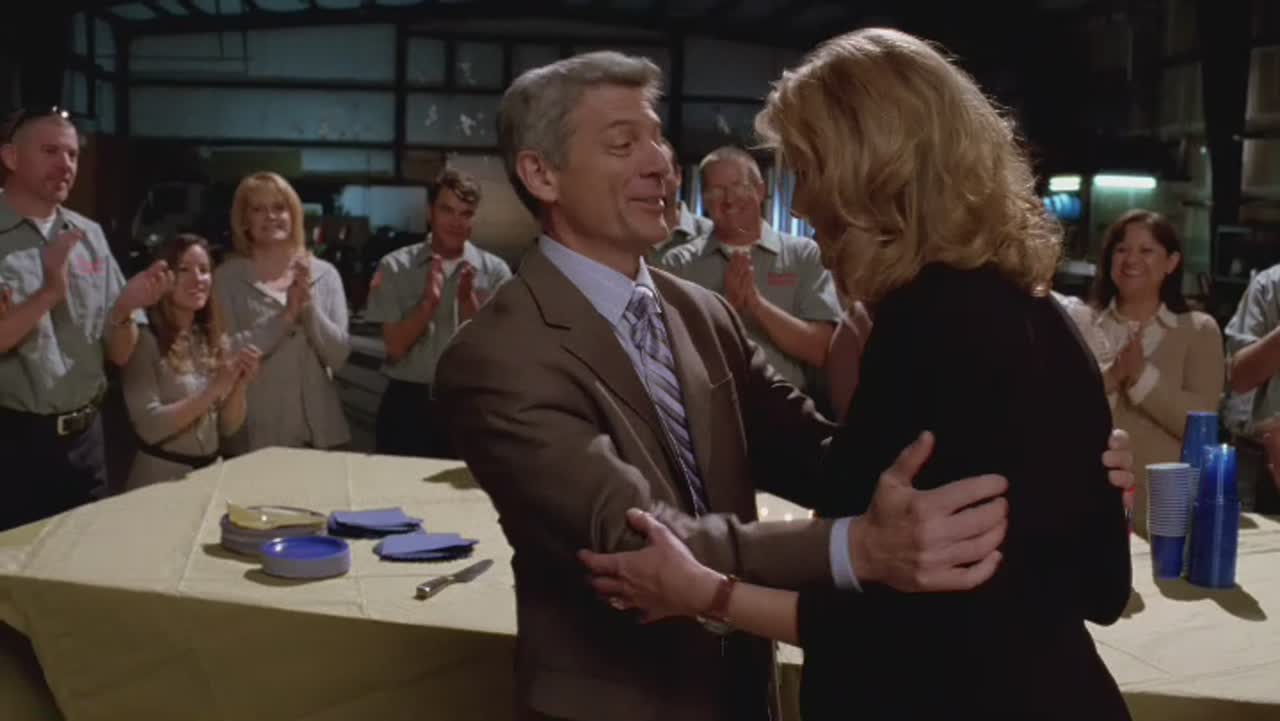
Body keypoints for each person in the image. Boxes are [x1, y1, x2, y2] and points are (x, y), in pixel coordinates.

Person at [435, 50, 1135, 721]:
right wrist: (857, 547)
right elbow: (632, 543)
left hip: (751, 694)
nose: (660, 163)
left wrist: (1048, 471)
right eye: (623, 144)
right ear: (541, 174)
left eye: (659, 138)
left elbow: (829, 461)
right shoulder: (496, 355)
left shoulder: (702, 312)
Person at [0, 107, 171, 531]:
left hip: (86, 441)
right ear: (10, 157)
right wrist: (49, 292)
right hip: (12, 442)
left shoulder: (88, 234)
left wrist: (124, 310)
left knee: (79, 558)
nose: (66, 165)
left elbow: (120, 354)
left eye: (73, 154)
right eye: (50, 151)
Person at [1082, 210, 1224, 531]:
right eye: (1121, 249)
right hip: (1086, 507)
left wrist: (1141, 377)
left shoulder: (1198, 330)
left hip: (1165, 517)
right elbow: (1060, 409)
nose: (1131, 259)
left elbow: (1201, 427)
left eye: (1146, 250)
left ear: (1171, 263)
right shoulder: (1083, 324)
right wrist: (1113, 376)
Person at [661, 146, 841, 390]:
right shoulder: (678, 263)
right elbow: (672, 351)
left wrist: (756, 305)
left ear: (760, 190)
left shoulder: (803, 254)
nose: (729, 199)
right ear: (703, 198)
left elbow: (820, 350)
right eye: (717, 190)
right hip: (712, 404)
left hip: (787, 407)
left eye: (739, 185)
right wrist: (728, 307)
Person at [363, 168, 510, 458]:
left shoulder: (495, 272)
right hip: (407, 406)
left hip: (469, 404)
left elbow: (495, 356)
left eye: (465, 213)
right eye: (447, 210)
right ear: (430, 212)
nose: (456, 221)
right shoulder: (394, 267)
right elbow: (395, 349)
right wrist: (428, 304)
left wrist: (469, 304)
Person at [213, 171, 350, 452]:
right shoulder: (226, 278)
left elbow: (338, 356)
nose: (270, 216)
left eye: (279, 207)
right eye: (258, 209)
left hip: (322, 436)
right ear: (244, 220)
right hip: (256, 437)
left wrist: (308, 307)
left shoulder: (325, 274)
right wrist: (285, 317)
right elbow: (229, 353)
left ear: (294, 214)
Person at [122, 234, 260, 488]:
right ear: (164, 277)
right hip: (159, 481)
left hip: (209, 477)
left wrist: (239, 384)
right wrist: (213, 390)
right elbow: (149, 426)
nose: (198, 279)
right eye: (184, 269)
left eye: (204, 270)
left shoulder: (214, 338)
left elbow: (228, 428)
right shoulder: (144, 340)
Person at [646, 140, 712, 266]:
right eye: (645, 175)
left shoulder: (709, 235)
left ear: (678, 176)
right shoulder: (617, 237)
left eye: (662, 173)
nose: (653, 183)